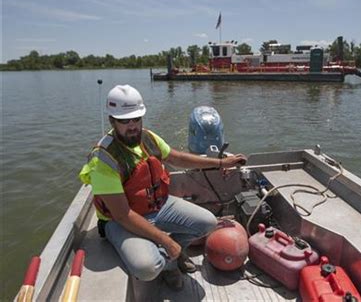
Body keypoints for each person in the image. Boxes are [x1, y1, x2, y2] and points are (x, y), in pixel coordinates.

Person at [79, 84, 247, 290]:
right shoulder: (103, 160)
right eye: (124, 121)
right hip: (120, 220)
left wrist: (220, 163)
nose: (132, 126)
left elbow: (178, 158)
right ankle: (168, 264)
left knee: (208, 223)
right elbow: (122, 215)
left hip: (157, 205)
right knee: (147, 267)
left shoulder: (148, 138)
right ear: (112, 121)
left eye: (136, 119)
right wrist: (167, 242)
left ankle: (169, 258)